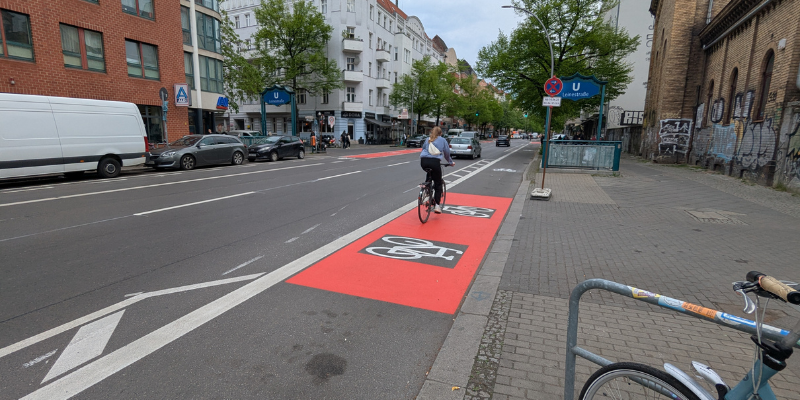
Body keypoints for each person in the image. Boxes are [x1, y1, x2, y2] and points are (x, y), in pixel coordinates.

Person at [419, 126, 454, 214]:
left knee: (429, 172)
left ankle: (427, 187)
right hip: (434, 162)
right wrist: (450, 162)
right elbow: (446, 153)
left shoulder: (428, 139)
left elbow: (423, 149)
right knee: (438, 183)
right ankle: (437, 206)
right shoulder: (442, 140)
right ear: (440, 133)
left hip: (423, 162)